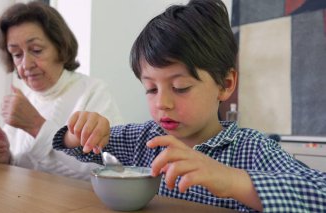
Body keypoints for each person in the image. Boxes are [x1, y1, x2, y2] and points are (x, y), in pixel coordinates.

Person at [52, 0, 326, 212]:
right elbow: (78, 148)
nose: (162, 103)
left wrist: (231, 180)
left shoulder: (251, 149)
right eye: (150, 88)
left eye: (181, 87)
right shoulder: (144, 139)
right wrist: (81, 131)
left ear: (225, 84)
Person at [0, 1, 123, 181]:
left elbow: (112, 171)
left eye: (36, 50)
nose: (26, 64)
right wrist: (5, 157)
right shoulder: (25, 98)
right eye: (16, 54)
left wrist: (36, 126)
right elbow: (23, 166)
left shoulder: (93, 92)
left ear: (60, 47)